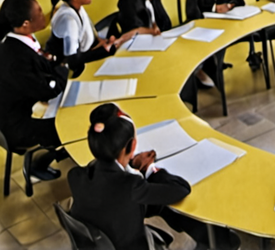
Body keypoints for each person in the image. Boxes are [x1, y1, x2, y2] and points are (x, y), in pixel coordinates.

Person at [68, 103, 240, 250]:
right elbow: (181, 189)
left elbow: (113, 186)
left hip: (101, 238)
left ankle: (211, 238)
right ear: (131, 146)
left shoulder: (75, 176)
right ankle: (216, 240)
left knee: (158, 204)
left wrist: (130, 168)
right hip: (129, 244)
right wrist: (150, 169)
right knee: (166, 204)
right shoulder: (132, 187)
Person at [0, 0, 69, 181]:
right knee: (67, 125)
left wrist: (56, 68)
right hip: (15, 126)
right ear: (25, 24)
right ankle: (37, 163)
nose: (44, 14)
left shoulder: (20, 39)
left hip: (25, 106)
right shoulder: (15, 58)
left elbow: (44, 64)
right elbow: (48, 89)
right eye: (38, 12)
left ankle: (57, 152)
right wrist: (63, 70)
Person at [186, 0, 246, 87]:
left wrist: (229, 5)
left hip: (226, 25)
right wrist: (214, 8)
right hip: (205, 27)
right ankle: (205, 71)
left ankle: (214, 68)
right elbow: (191, 11)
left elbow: (240, 1)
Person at [47, 0, 123, 77]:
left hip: (81, 59)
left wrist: (105, 42)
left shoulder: (77, 8)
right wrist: (105, 50)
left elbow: (90, 36)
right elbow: (72, 60)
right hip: (67, 70)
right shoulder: (68, 20)